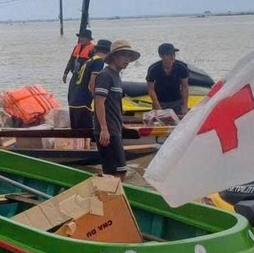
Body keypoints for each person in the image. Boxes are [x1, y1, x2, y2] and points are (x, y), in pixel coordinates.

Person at [94, 39, 140, 178]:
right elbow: (99, 102)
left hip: (115, 128)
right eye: (124, 55)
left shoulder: (117, 77)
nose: (127, 59)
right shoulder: (105, 75)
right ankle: (111, 198)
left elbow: (115, 105)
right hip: (107, 131)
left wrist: (121, 124)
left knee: (118, 170)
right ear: (114, 56)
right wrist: (104, 129)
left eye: (129, 57)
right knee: (117, 171)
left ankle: (112, 197)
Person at [67, 39, 111, 130]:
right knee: (87, 133)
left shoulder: (89, 60)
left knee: (77, 134)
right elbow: (92, 81)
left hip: (74, 100)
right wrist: (97, 99)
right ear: (109, 53)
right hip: (83, 102)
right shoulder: (99, 61)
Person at [146, 43, 189, 115]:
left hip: (177, 101)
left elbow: (184, 86)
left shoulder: (182, 67)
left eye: (173, 54)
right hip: (160, 102)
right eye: (169, 55)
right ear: (161, 56)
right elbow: (150, 88)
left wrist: (185, 106)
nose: (173, 57)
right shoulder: (153, 69)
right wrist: (158, 107)